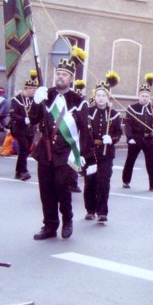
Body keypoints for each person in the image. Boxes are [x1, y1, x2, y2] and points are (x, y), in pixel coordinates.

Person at [29, 56, 93, 240]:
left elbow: (84, 131)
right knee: (46, 190)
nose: (60, 76)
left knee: (62, 188)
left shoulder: (78, 101)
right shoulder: (46, 95)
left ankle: (67, 220)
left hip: (66, 153)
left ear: (71, 79)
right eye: (58, 73)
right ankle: (49, 225)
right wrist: (35, 101)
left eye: (65, 74)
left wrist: (85, 157)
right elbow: (33, 119)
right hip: (45, 150)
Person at [84, 78, 122, 222]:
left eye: (104, 95)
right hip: (91, 151)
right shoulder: (88, 112)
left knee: (103, 182)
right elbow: (84, 133)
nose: (101, 98)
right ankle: (90, 209)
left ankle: (102, 211)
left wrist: (112, 139)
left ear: (108, 97)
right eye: (98, 95)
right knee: (90, 182)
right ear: (95, 96)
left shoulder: (114, 114)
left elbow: (119, 133)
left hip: (106, 154)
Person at [122, 80, 153, 191]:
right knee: (130, 160)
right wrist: (129, 137)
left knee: (151, 161)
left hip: (148, 138)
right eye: (143, 96)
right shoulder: (132, 108)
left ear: (149, 97)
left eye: (147, 96)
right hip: (135, 138)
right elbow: (128, 124)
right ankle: (126, 180)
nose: (145, 98)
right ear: (139, 96)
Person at [9, 74, 38, 181]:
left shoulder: (33, 100)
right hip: (20, 128)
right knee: (24, 148)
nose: (34, 92)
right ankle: (24, 171)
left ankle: (18, 171)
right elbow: (12, 114)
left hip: (30, 129)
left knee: (25, 150)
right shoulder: (16, 99)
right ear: (27, 88)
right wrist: (23, 119)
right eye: (33, 89)